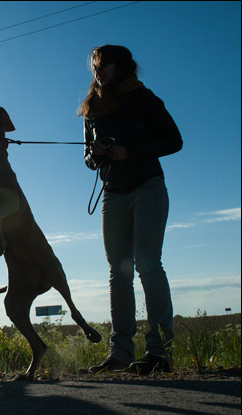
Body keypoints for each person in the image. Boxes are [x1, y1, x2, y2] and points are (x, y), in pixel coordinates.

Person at [77, 45, 183, 375]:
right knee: (118, 273)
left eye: (105, 64)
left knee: (148, 264)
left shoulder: (142, 98)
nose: (99, 70)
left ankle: (160, 352)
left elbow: (174, 140)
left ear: (122, 66)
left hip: (147, 188)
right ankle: (120, 352)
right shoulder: (92, 107)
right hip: (113, 194)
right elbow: (87, 159)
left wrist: (129, 151)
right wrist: (97, 154)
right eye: (95, 64)